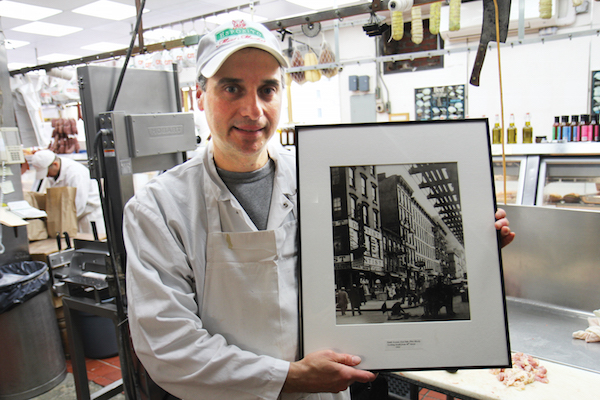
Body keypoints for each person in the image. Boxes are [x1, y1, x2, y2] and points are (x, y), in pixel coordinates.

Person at [123, 19, 515, 400]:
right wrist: (289, 377)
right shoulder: (159, 208)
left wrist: (480, 250)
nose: (253, 110)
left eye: (267, 89)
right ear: (199, 95)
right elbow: (167, 346)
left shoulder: (313, 174)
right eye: (231, 89)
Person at [30, 149, 105, 236]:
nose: (47, 175)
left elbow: (78, 204)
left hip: (88, 217)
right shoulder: (54, 174)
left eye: (47, 172)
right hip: (72, 218)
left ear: (55, 164)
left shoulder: (75, 173)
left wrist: (61, 221)